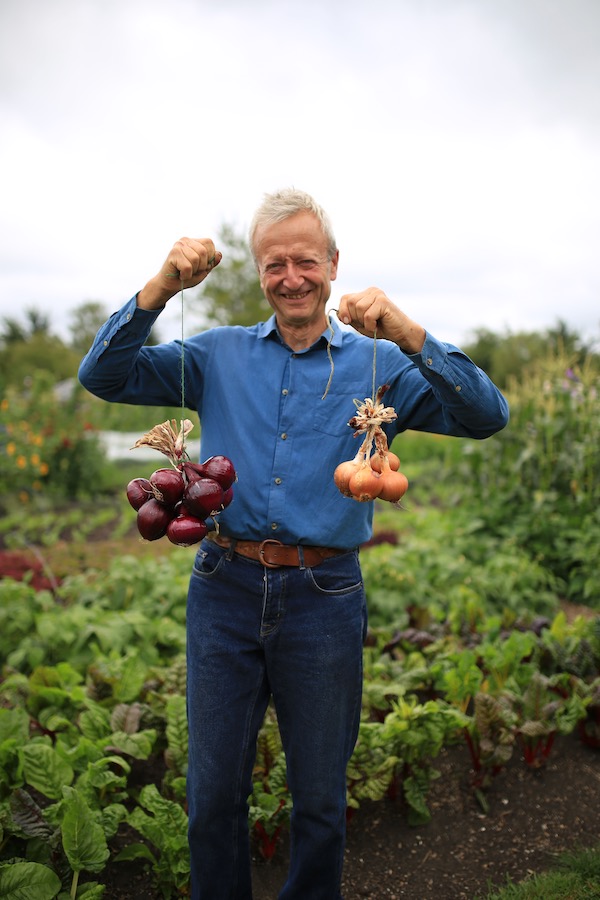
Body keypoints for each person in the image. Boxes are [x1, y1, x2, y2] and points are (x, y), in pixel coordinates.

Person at [78, 188, 509, 899]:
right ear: (259, 272)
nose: (291, 277)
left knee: (318, 800)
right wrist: (160, 289)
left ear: (333, 264)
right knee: (213, 795)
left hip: (324, 597)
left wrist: (410, 333)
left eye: (305, 260)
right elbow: (104, 375)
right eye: (274, 264)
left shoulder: (381, 367)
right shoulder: (216, 355)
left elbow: (487, 414)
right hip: (225, 587)